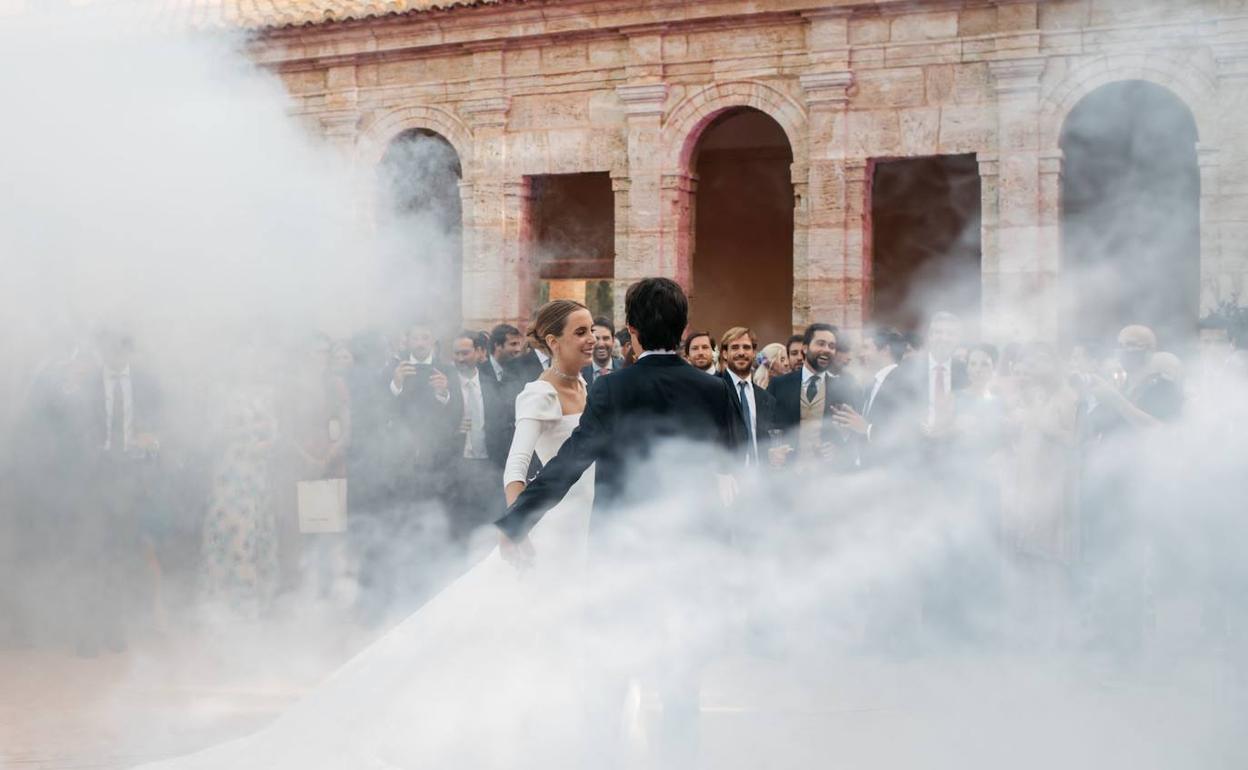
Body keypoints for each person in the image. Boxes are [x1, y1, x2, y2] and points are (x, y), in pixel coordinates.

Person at [199, 344, 279, 620]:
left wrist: (267, 443)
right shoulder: (220, 395)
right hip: (230, 476)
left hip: (257, 476)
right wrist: (241, 443)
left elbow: (276, 432)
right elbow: (209, 434)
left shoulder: (267, 394)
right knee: (231, 539)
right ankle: (226, 606)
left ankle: (254, 605)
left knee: (257, 537)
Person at [446, 331, 510, 543]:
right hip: (457, 464)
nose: (460, 358)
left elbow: (501, 424)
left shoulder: (492, 384)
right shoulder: (443, 384)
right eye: (456, 354)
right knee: (459, 523)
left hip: (488, 464)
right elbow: (427, 425)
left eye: (465, 353)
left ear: (479, 352)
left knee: (488, 520)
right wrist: (451, 430)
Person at [767, 323, 859, 468]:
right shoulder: (779, 384)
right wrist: (771, 452)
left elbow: (853, 436)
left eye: (831, 346)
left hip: (826, 476)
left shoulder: (842, 389)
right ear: (805, 348)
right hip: (788, 473)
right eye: (821, 344)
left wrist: (838, 450)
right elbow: (765, 427)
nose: (827, 350)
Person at [830, 326, 908, 469]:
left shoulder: (904, 382)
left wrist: (867, 428)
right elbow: (863, 429)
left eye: (866, 348)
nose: (860, 354)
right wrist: (848, 429)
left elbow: (905, 434)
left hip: (890, 472)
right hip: (866, 471)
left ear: (885, 350)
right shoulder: (871, 384)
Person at [718, 327, 776, 467]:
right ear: (725, 354)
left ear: (754, 353)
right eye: (735, 347)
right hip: (728, 475)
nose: (741, 353)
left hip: (759, 476)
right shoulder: (714, 389)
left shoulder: (766, 398)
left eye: (746, 347)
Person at [581, 316, 623, 383]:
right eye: (596, 338)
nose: (601, 344)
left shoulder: (626, 368)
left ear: (613, 340)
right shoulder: (579, 372)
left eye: (606, 338)